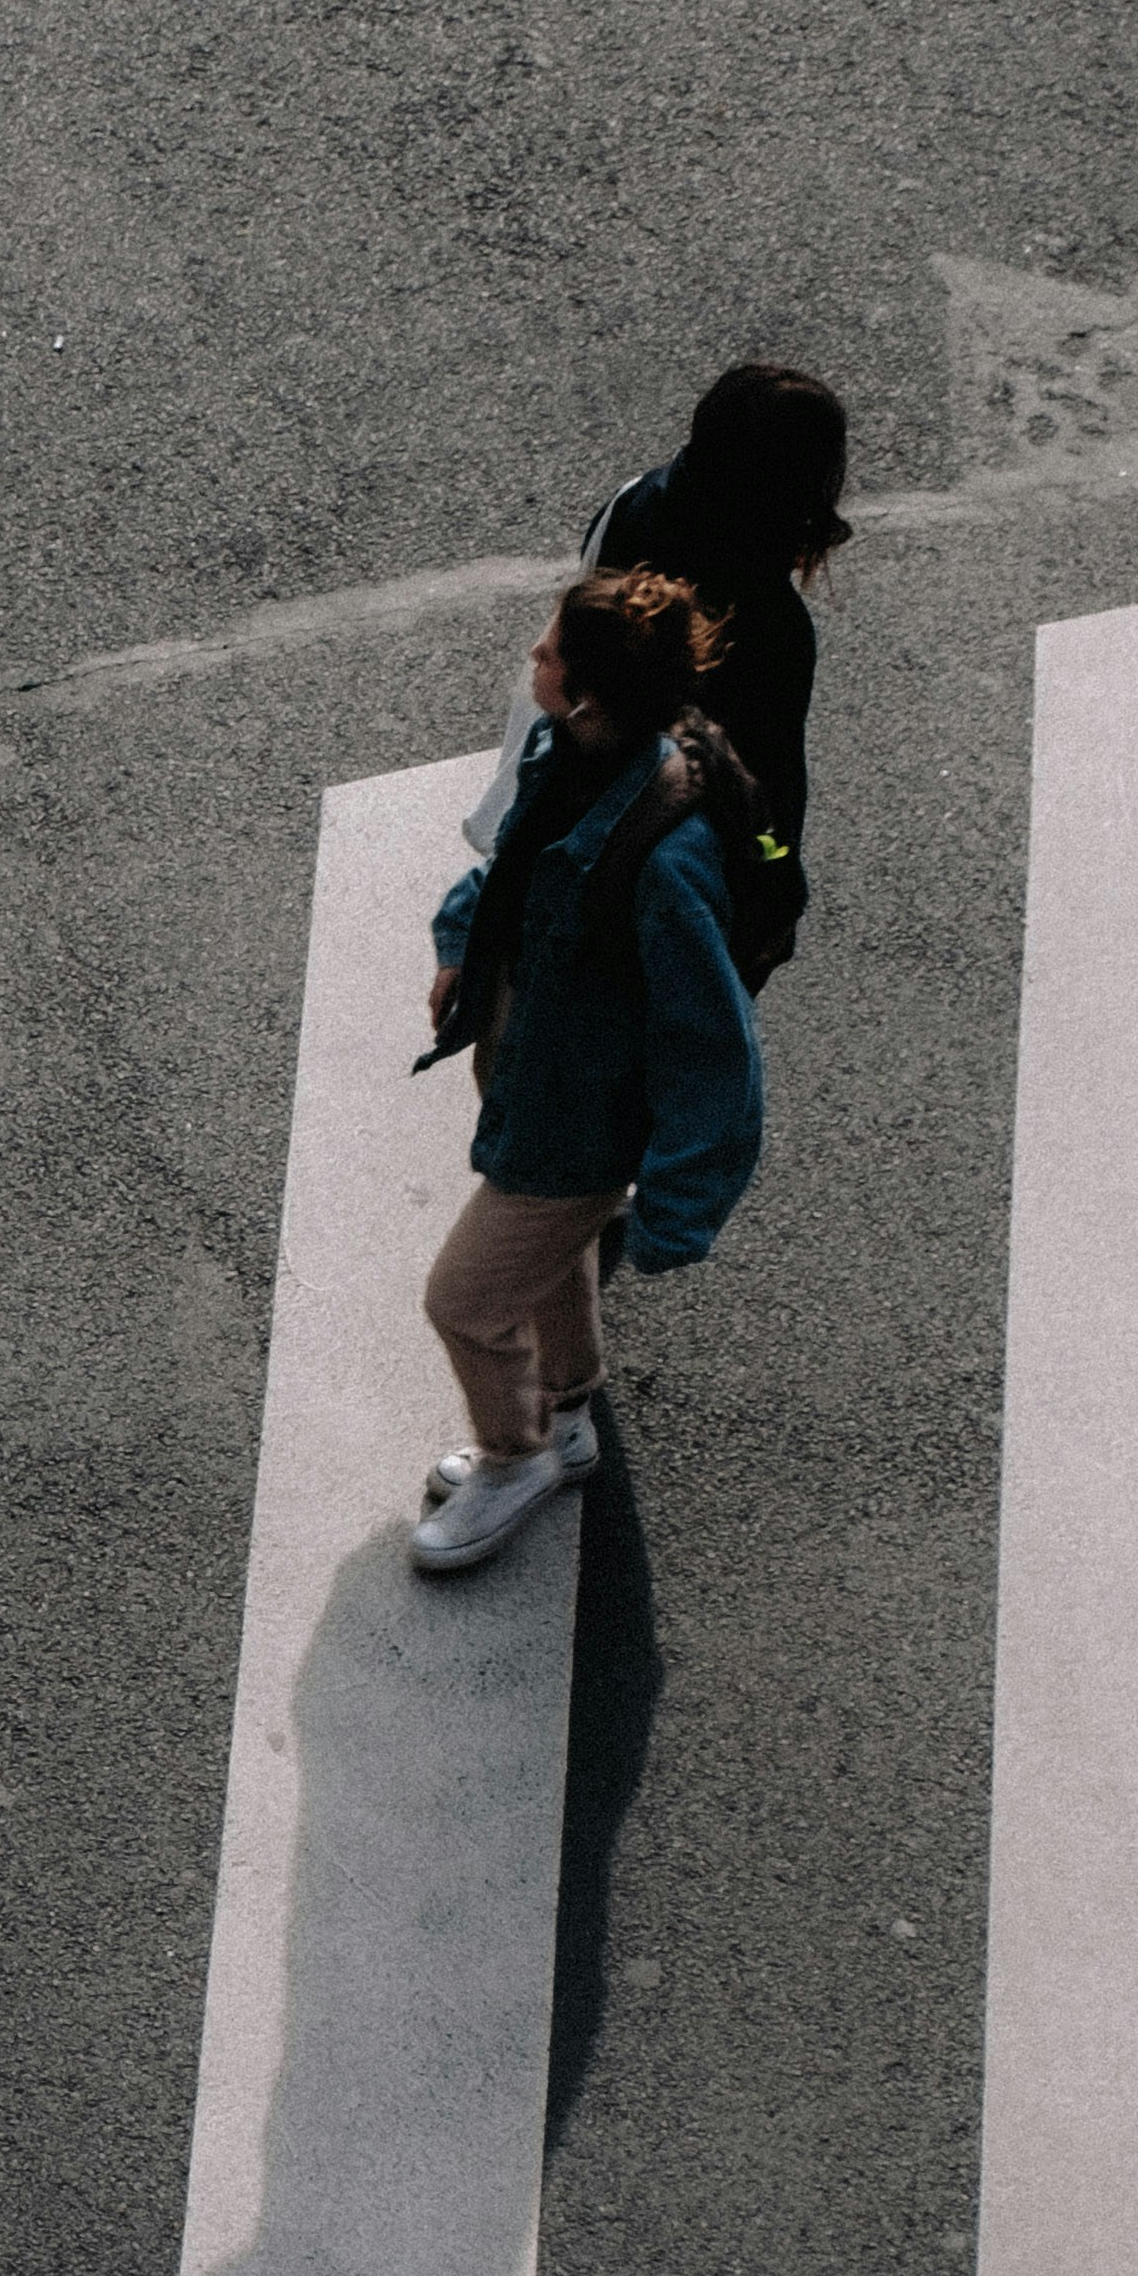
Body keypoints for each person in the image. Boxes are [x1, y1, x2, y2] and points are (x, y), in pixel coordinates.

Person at [409, 563, 766, 1576]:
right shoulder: (561, 746)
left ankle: (515, 1455)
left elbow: (713, 1045)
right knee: (551, 1264)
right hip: (525, 1062)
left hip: (577, 1118)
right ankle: (562, 1414)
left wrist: (677, 1208)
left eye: (553, 650)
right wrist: (456, 944)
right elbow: (506, 873)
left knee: (463, 1302)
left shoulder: (666, 858)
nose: (534, 657)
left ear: (595, 683)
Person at [583, 356, 850, 967]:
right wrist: (779, 892)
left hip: (590, 822)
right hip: (685, 881)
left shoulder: (634, 506)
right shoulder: (770, 626)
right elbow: (770, 787)